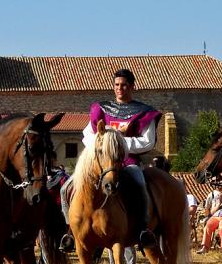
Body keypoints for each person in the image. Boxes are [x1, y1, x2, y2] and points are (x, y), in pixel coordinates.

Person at [63, 68, 161, 252]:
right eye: (117, 85)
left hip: (127, 161)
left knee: (140, 185)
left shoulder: (144, 112)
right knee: (66, 187)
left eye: (124, 85)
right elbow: (87, 134)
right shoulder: (101, 109)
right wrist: (104, 145)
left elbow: (148, 141)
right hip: (100, 163)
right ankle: (70, 230)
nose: (119, 88)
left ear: (132, 86)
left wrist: (118, 143)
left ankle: (143, 229)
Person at [198, 181, 222, 254]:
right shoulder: (217, 197)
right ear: (221, 188)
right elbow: (212, 212)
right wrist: (219, 203)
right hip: (216, 216)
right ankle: (205, 247)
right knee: (208, 225)